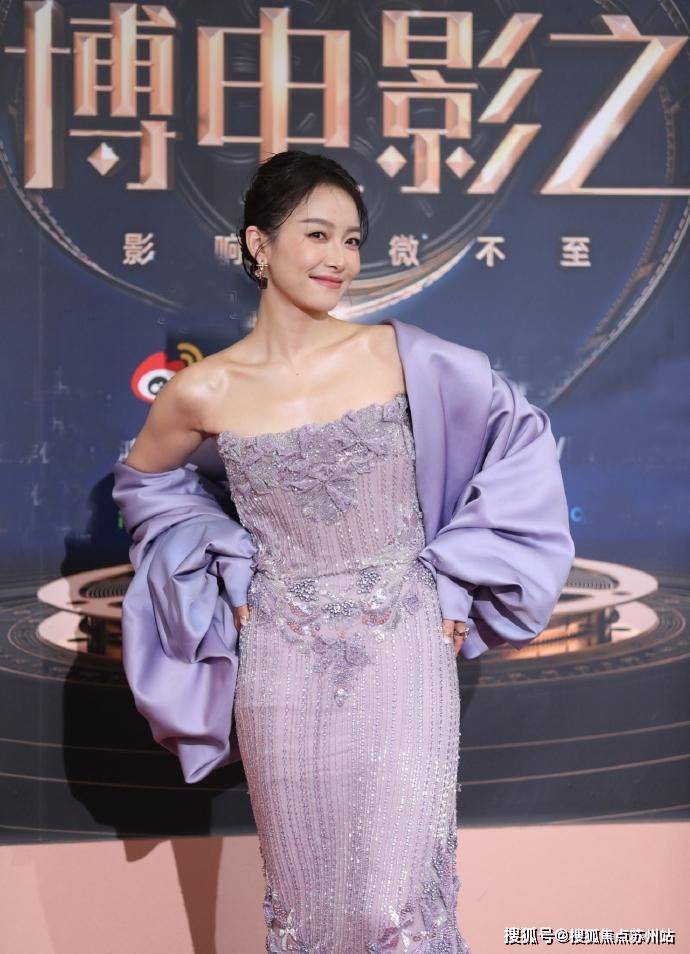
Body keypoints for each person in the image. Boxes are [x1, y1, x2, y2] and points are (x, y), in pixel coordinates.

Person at [118, 150, 569, 952]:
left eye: (353, 240)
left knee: (392, 903)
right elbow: (146, 486)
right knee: (308, 905)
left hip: (402, 650)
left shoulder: (405, 357)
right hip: (281, 663)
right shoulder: (203, 390)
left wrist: (454, 578)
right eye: (317, 234)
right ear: (259, 244)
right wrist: (225, 554)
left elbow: (520, 449)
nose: (339, 258)